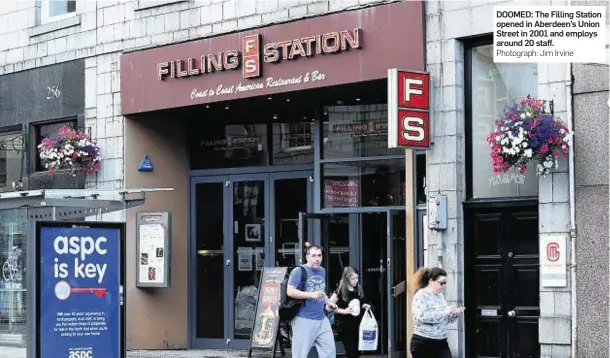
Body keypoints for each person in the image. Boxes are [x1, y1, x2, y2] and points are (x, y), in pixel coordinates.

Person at [287, 245, 337, 358]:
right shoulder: (299, 271)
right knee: (300, 355)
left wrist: (329, 302)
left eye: (319, 255)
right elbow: (290, 291)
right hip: (304, 319)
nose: (317, 259)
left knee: (329, 352)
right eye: (313, 255)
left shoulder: (322, 271)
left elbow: (320, 291)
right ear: (307, 257)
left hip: (321, 319)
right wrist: (310, 295)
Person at [410, 267, 464, 358]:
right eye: (441, 283)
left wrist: (454, 314)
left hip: (441, 341)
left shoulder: (440, 296)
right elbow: (422, 317)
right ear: (431, 281)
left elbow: (446, 319)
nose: (443, 286)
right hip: (424, 342)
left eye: (445, 283)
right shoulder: (420, 295)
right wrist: (445, 312)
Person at [327, 266, 371, 358]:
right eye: (353, 278)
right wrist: (343, 311)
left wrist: (364, 305)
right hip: (344, 325)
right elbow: (328, 307)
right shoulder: (340, 290)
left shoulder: (358, 289)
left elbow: (362, 301)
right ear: (347, 279)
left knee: (357, 351)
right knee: (350, 351)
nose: (355, 280)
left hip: (357, 324)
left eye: (357, 278)